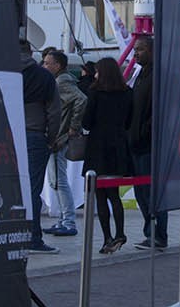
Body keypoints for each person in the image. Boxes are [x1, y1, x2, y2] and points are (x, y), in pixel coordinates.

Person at [82, 57, 134, 253]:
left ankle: (107, 238)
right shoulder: (127, 92)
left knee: (100, 196)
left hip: (98, 147)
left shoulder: (95, 92)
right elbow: (129, 120)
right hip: (119, 146)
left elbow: (87, 121)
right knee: (114, 195)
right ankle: (120, 232)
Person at [19, 40, 61, 253]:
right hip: (34, 136)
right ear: (31, 52)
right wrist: (51, 139)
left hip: (2, 138)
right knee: (32, 189)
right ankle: (33, 238)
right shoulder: (44, 77)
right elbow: (54, 113)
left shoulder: (0, 70)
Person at [42, 48, 85, 237]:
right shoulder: (60, 81)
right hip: (58, 136)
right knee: (55, 180)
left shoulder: (62, 82)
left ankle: (68, 221)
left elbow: (81, 100)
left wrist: (73, 128)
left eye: (47, 63)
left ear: (57, 65)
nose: (44, 66)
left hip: (59, 138)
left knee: (59, 180)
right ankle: (63, 219)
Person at [128, 37, 166, 250]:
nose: (136, 53)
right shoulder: (141, 75)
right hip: (136, 141)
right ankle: (149, 232)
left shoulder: (157, 76)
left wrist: (144, 131)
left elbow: (158, 109)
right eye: (135, 49)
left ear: (151, 51)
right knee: (141, 191)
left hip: (148, 142)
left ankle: (158, 235)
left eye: (140, 49)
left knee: (152, 191)